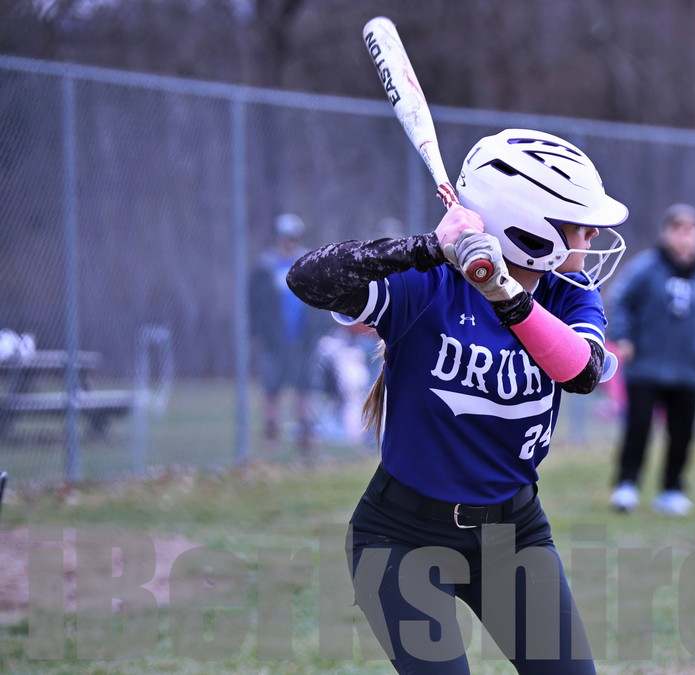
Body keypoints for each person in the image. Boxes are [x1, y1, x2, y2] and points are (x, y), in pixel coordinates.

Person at [287, 128, 627, 673]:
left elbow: (582, 372)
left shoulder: (570, 292)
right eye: (578, 224)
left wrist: (505, 293)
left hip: (513, 534)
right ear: (531, 229)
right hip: (400, 538)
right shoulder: (429, 284)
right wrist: (426, 247)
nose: (591, 237)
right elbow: (308, 278)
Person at [607, 203, 695, 517]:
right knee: (638, 428)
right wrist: (623, 336)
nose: (685, 236)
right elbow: (621, 300)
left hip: (688, 370)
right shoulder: (646, 267)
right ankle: (627, 485)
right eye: (678, 228)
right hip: (645, 367)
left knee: (682, 432)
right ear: (666, 233)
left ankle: (672, 490)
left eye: (692, 229)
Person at [248, 213, 325, 455]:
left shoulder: (308, 264)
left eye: (294, 237)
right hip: (274, 341)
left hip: (303, 340)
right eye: (286, 237)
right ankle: (272, 437)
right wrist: (259, 333)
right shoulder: (265, 267)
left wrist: (317, 331)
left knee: (304, 388)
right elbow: (255, 305)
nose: (290, 242)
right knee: (272, 388)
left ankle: (306, 436)